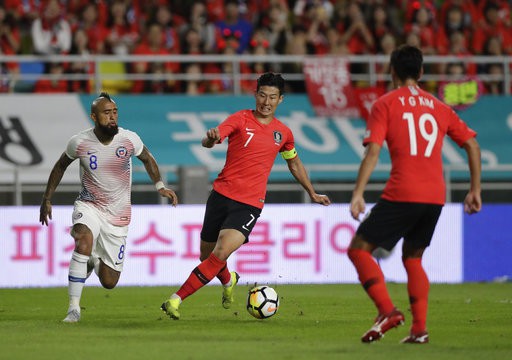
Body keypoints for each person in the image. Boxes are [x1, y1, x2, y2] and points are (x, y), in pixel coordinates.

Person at [160, 72, 331, 320]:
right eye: (262, 95)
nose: (266, 102)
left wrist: (312, 193)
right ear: (255, 94)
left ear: (281, 99)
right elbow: (212, 139)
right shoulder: (240, 119)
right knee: (206, 256)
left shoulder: (283, 134)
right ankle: (229, 280)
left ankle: (175, 300)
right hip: (220, 195)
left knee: (220, 252)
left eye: (272, 97)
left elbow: (293, 163)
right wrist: (210, 138)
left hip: (249, 204)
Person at [347, 45, 481, 344]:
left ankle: (387, 311)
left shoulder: (385, 104)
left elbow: (373, 152)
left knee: (358, 249)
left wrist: (358, 192)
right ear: (421, 73)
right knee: (413, 258)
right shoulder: (439, 106)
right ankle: (419, 330)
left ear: (391, 71)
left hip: (403, 190)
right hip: (435, 195)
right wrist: (475, 189)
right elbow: (472, 145)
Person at [39, 92, 178, 323]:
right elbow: (59, 167)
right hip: (89, 205)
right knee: (83, 239)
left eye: (114, 112)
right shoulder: (80, 142)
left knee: (109, 281)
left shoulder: (128, 139)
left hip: (118, 216)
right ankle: (73, 308)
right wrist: (47, 198)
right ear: (94, 116)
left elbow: (148, 158)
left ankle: (94, 260)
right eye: (106, 113)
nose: (112, 117)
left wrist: (160, 186)